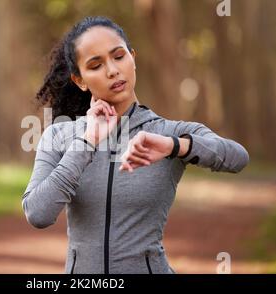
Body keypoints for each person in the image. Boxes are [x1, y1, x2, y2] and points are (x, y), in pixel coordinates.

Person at [22, 16, 249, 274]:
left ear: (133, 57)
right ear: (80, 80)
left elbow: (237, 158)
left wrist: (174, 146)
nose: (112, 70)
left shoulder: (167, 132)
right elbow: (38, 214)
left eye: (119, 56)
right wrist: (88, 141)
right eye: (96, 65)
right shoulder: (59, 135)